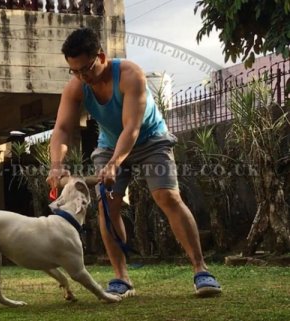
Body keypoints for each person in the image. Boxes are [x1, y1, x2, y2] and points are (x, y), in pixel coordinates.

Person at [46, 27, 222, 298]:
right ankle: (122, 278)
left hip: (150, 139)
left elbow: (132, 129)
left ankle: (201, 270)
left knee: (166, 196)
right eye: (75, 71)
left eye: (86, 69)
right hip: (109, 143)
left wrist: (115, 164)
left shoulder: (130, 75)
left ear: (101, 56)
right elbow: (62, 129)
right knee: (107, 204)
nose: (82, 76)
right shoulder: (77, 87)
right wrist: (56, 164)